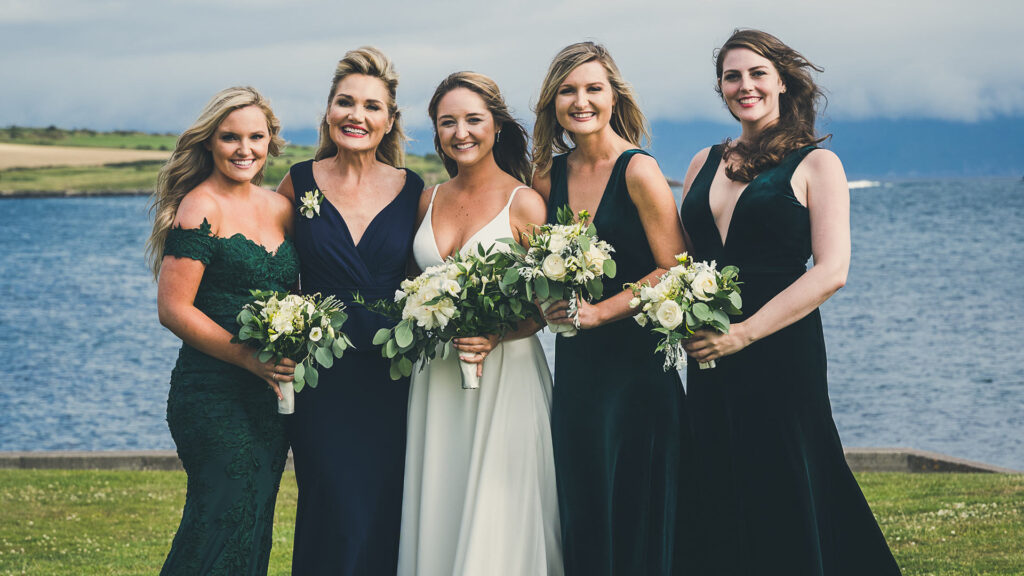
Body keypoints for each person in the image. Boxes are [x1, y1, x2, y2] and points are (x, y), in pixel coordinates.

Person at [678, 29, 902, 575]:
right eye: (732, 76)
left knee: (784, 475)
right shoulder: (702, 161)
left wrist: (744, 333)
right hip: (706, 349)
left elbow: (832, 272)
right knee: (714, 476)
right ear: (721, 88)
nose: (745, 85)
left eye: (757, 73)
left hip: (779, 350)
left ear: (781, 80)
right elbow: (681, 262)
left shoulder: (818, 166)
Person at [533, 42, 695, 575]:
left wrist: (601, 313)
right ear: (553, 102)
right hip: (579, 371)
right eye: (568, 90)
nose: (581, 101)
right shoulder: (546, 177)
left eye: (592, 88)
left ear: (613, 95)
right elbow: (535, 267)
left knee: (636, 504)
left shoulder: (638, 169)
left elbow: (674, 267)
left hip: (638, 370)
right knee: (584, 499)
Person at [397, 71, 562, 576]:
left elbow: (548, 307)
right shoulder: (428, 199)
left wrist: (497, 333)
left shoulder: (525, 202)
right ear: (436, 132)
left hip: (504, 374)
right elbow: (411, 288)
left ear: (495, 126)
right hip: (438, 379)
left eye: (472, 119)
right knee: (441, 495)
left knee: (501, 510)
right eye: (448, 122)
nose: (460, 132)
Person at [276, 47, 424, 576]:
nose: (355, 115)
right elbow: (271, 273)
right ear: (329, 111)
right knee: (331, 504)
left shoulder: (414, 192)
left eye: (370, 106)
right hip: (321, 375)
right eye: (345, 102)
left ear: (389, 122)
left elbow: (431, 278)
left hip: (394, 373)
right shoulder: (298, 182)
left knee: (387, 503)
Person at [147, 86, 297, 575]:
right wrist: (248, 359)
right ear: (210, 141)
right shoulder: (199, 206)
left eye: (256, 137)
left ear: (271, 141)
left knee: (253, 520)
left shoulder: (279, 207)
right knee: (218, 516)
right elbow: (173, 308)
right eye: (230, 137)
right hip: (212, 395)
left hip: (268, 398)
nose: (244, 149)